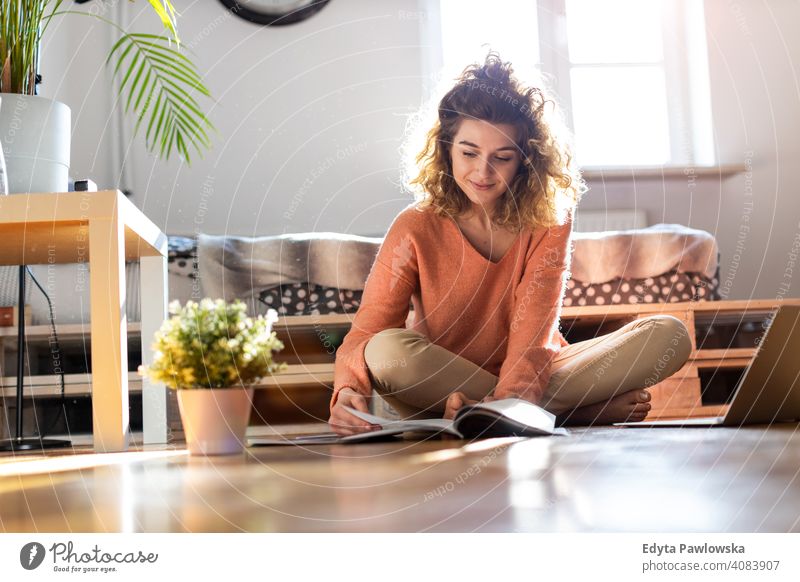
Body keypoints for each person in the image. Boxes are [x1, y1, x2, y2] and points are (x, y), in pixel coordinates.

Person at [328, 52, 692, 436]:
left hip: (532, 371)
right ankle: (563, 413)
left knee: (669, 335)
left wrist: (512, 393)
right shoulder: (414, 225)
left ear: (525, 160)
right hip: (438, 383)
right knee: (385, 351)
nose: (482, 172)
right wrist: (348, 391)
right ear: (445, 148)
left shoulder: (549, 221)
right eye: (469, 153)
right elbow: (369, 329)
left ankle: (499, 411)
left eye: (501, 157)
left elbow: (534, 336)